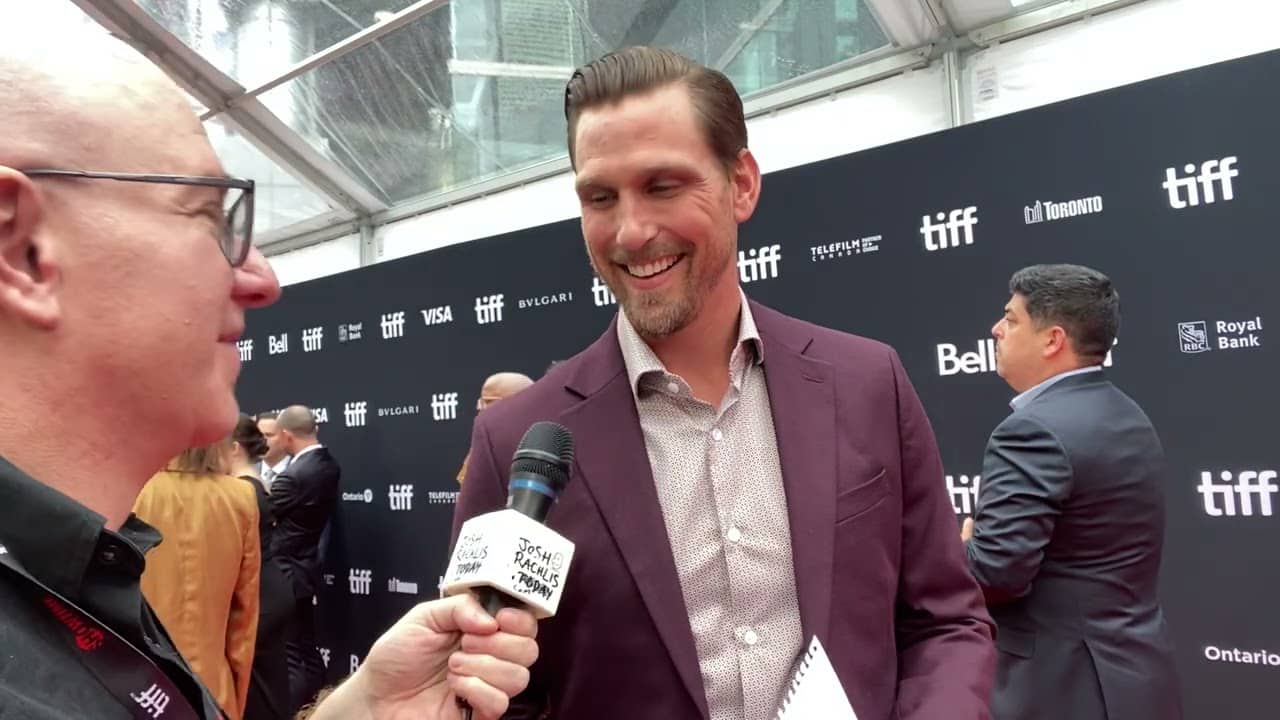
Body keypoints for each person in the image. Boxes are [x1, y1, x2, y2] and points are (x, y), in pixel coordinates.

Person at [0, 28, 537, 720]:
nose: (262, 279)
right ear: (24, 248)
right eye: (207, 215)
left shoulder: (84, 572)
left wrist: (363, 710)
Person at [452, 46, 995, 720]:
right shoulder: (515, 443)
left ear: (741, 184)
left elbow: (945, 621)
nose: (631, 231)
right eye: (600, 196)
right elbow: (497, 694)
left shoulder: (866, 382)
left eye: (663, 186)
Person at [962, 264, 1182, 720]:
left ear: (1052, 340)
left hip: (1061, 690)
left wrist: (959, 546)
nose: (996, 329)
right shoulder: (1128, 414)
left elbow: (996, 574)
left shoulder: (1030, 431)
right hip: (1137, 682)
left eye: (1011, 318)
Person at [133, 441, 262, 720]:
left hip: (140, 691)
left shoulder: (128, 493)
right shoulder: (240, 497)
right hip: (214, 691)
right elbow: (243, 622)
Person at [268, 404, 340, 713]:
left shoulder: (294, 476)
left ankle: (297, 712)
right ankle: (319, 709)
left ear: (285, 435)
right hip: (305, 569)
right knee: (306, 651)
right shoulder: (327, 463)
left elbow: (260, 512)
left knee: (293, 654)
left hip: (287, 572)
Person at [229, 415, 294, 720]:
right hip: (268, 588)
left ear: (234, 448)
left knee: (257, 682)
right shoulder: (253, 483)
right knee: (266, 678)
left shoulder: (243, 489)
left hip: (261, 594)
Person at [456, 372, 534, 485]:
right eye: (481, 403)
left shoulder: (546, 441)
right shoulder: (487, 442)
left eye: (488, 403)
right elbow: (469, 490)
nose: (480, 409)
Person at [256, 411, 291, 489]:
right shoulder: (249, 473)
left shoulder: (299, 471)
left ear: (285, 437)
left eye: (269, 435)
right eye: (259, 435)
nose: (262, 440)